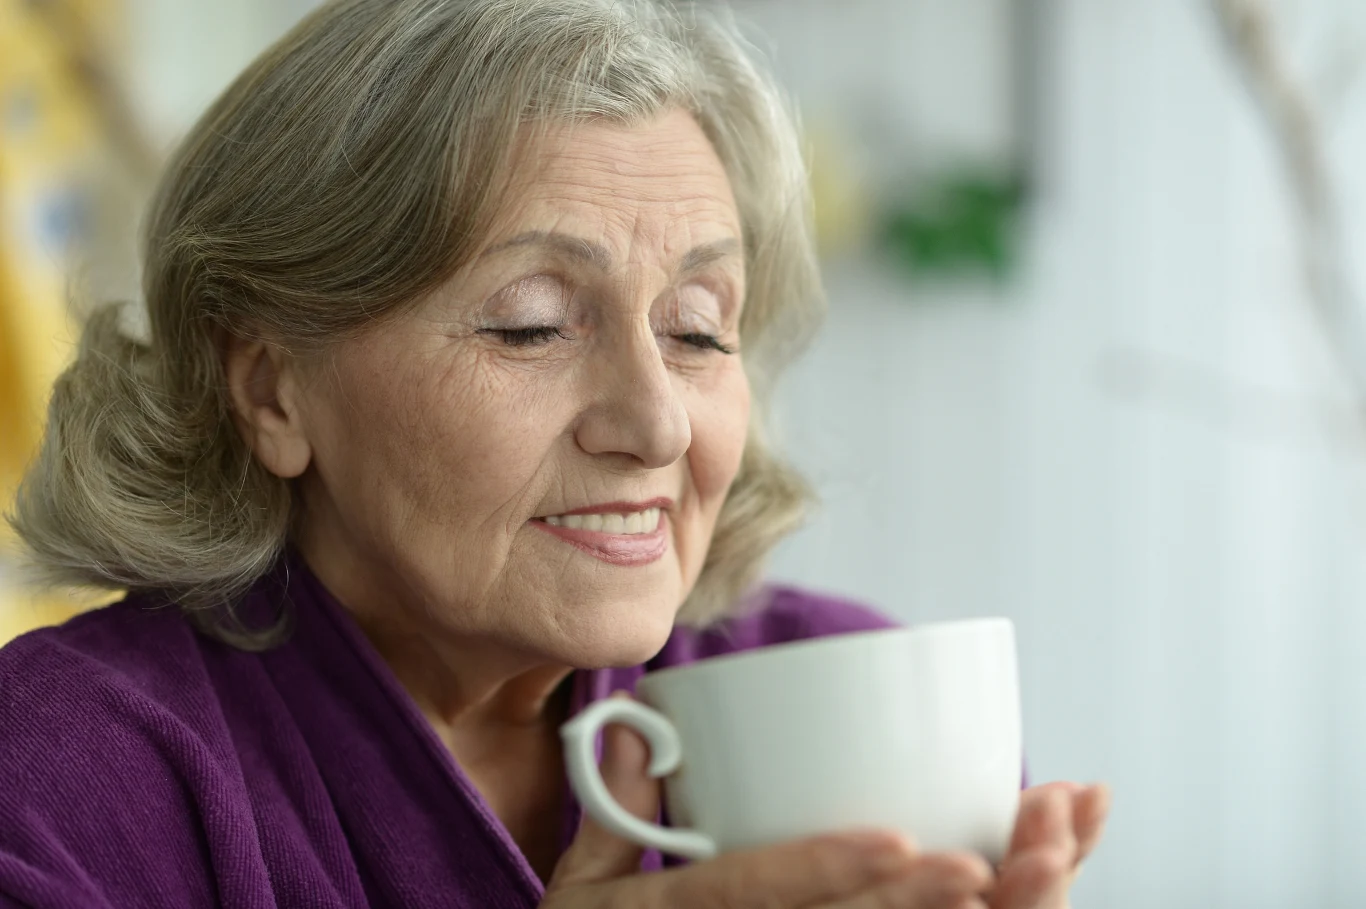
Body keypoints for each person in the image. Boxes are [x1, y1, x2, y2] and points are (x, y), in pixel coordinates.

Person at [0, 0, 1109, 906]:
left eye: (696, 329)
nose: (658, 422)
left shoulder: (858, 710)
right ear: (269, 388)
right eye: (530, 322)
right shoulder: (58, 769)